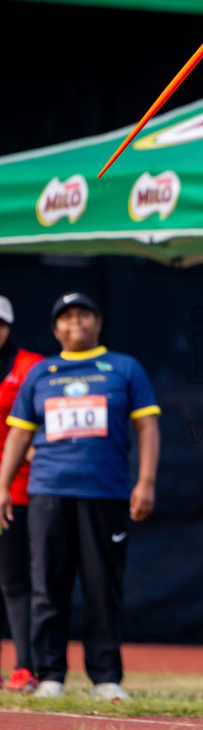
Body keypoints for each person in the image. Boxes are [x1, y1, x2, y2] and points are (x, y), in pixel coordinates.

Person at [0, 292, 160, 701]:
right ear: (56, 329)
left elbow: (147, 428)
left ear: (98, 322)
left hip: (104, 495)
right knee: (47, 585)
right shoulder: (41, 372)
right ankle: (49, 673)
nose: (76, 324)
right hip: (47, 494)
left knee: (101, 586)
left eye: (84, 316)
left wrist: (145, 481)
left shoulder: (124, 368)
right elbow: (19, 432)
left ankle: (106, 677)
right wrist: (2, 486)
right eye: (67, 318)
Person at [0, 296, 43, 693]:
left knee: (17, 579)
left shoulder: (32, 367)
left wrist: (36, 445)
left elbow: (46, 419)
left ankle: (25, 667)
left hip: (21, 488)